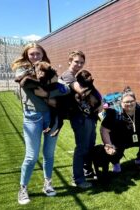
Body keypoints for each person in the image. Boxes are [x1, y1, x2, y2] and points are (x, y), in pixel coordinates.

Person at [12, 43, 70, 205]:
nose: (35, 57)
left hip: (51, 115)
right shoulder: (22, 70)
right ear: (26, 56)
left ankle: (48, 183)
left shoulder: (48, 69)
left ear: (43, 55)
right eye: (32, 54)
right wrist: (50, 85)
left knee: (49, 153)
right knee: (31, 156)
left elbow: (65, 88)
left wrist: (49, 91)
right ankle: (23, 188)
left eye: (38, 54)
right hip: (32, 117)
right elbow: (29, 84)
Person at [60, 51, 102, 189]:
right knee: (82, 147)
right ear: (70, 61)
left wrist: (100, 102)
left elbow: (92, 92)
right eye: (76, 61)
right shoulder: (68, 75)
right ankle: (77, 179)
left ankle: (87, 172)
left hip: (90, 116)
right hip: (79, 117)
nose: (79, 64)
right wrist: (96, 97)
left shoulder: (79, 76)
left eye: (81, 62)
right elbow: (80, 90)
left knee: (89, 146)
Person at [100, 87, 140, 173]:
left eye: (132, 101)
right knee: (113, 147)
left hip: (136, 136)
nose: (129, 104)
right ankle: (116, 163)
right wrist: (108, 145)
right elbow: (104, 130)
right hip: (119, 138)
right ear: (121, 102)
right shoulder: (114, 112)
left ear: (135, 101)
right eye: (126, 102)